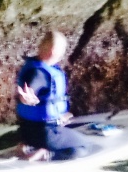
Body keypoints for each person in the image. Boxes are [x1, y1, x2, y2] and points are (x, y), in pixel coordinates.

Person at [13, 30, 87, 162]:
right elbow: (29, 90)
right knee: (83, 145)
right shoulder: (40, 74)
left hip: (25, 132)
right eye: (63, 50)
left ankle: (27, 146)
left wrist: (60, 116)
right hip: (45, 135)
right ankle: (45, 154)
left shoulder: (33, 67)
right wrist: (25, 98)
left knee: (65, 130)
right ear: (53, 52)